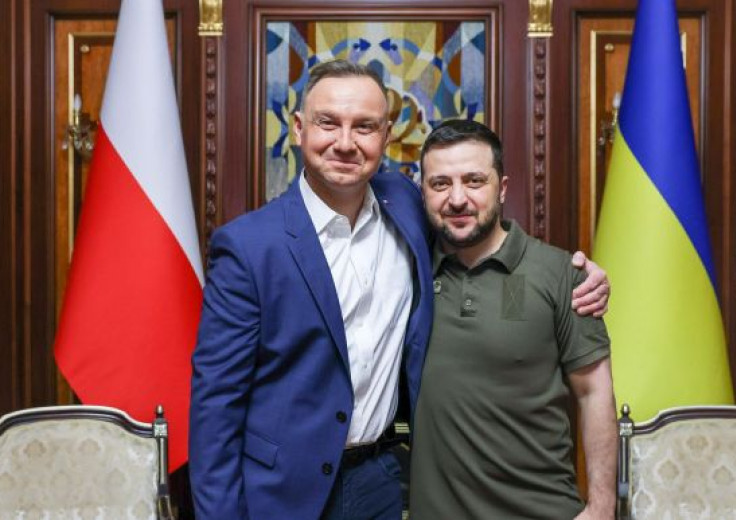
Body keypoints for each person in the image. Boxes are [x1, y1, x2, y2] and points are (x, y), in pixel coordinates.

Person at [189, 60, 609, 520]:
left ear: (386, 136)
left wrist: (576, 273)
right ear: (298, 128)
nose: (345, 142)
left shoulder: (407, 209)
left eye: (364, 126)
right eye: (328, 122)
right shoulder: (248, 246)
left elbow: (477, 227)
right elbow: (217, 403)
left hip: (382, 482)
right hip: (284, 490)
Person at [410, 119, 617, 520]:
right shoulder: (406, 273)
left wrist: (602, 507)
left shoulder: (563, 275)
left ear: (502, 188)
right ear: (423, 193)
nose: (457, 199)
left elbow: (594, 392)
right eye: (440, 184)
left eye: (474, 181)